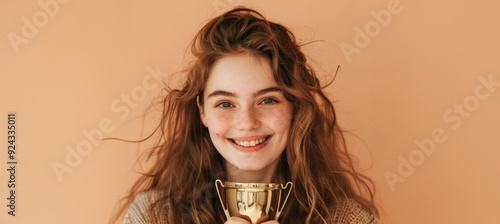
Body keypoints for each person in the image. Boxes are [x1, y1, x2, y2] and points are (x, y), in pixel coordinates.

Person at [110, 7, 379, 224]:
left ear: (295, 107)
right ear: (202, 111)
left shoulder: (348, 219)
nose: (247, 122)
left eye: (268, 100)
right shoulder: (154, 216)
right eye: (225, 104)